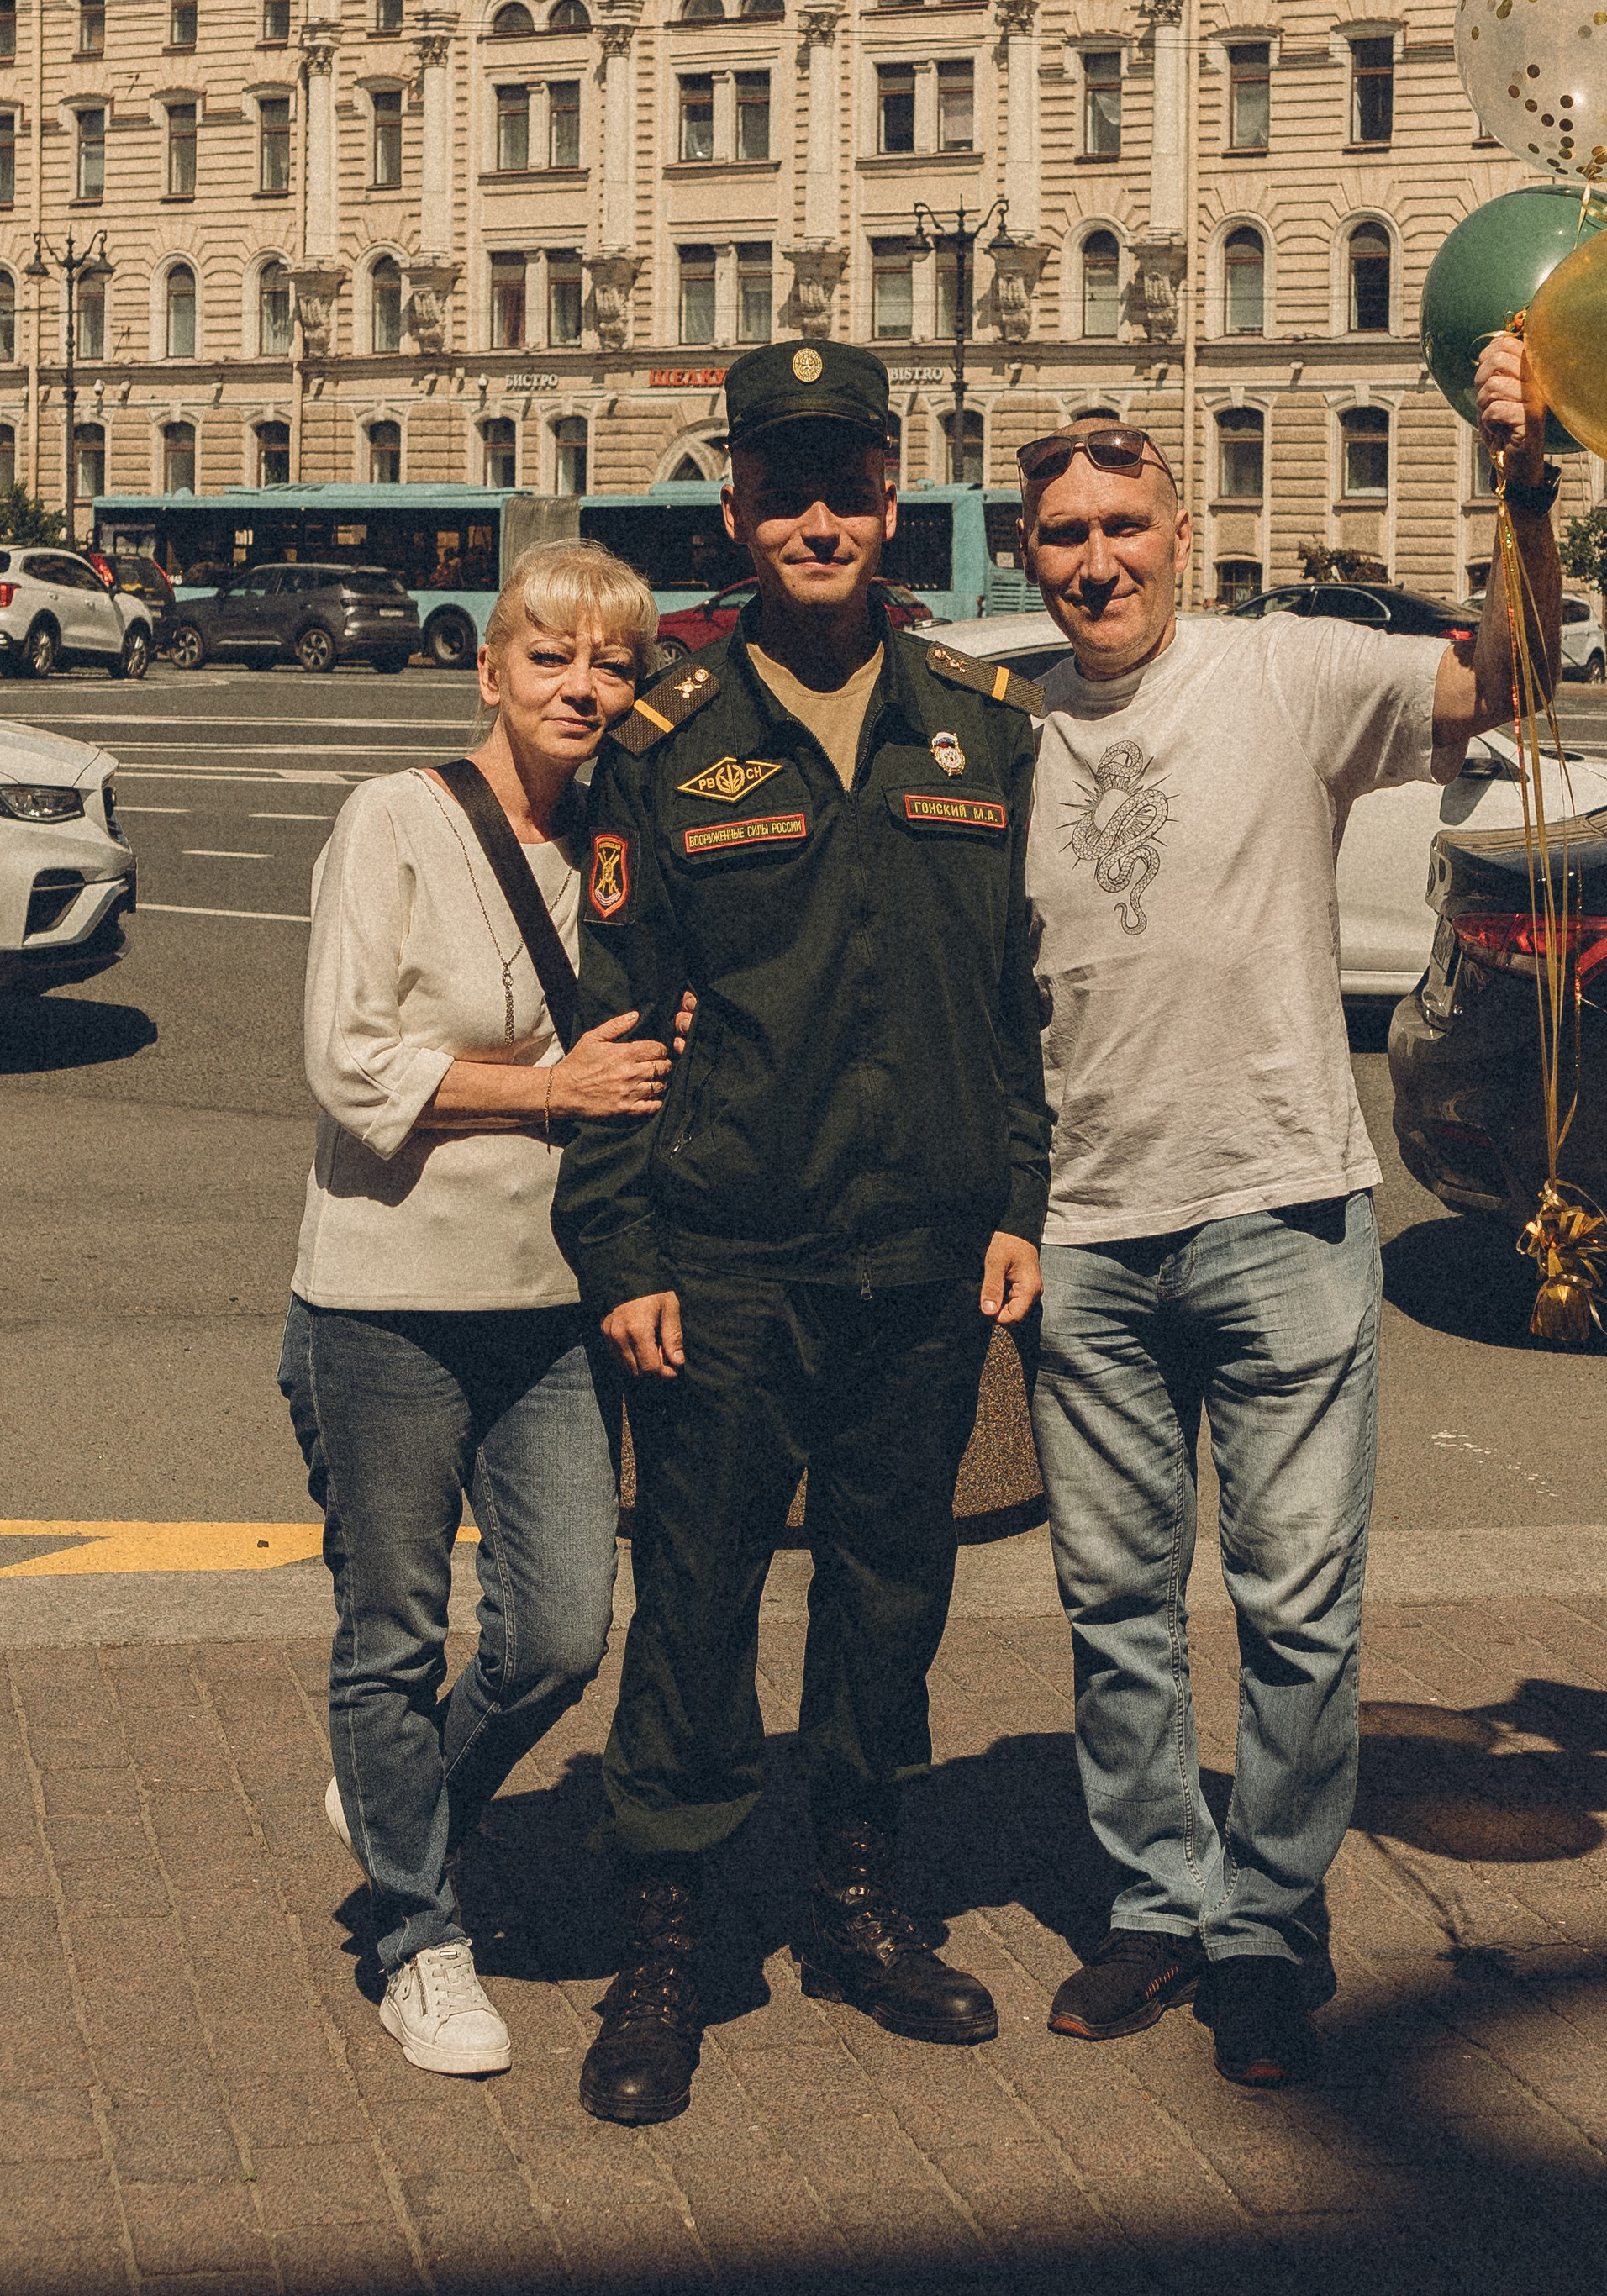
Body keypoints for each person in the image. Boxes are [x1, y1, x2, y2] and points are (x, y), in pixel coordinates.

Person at [1023, 333, 1557, 2087]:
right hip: (1086, 1234)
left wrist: (1523, 485)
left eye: (1124, 525)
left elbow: (1510, 679)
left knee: (1297, 1610)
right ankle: (1154, 1904)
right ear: (1030, 554)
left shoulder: (1284, 669)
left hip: (1282, 1211)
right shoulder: (1012, 733)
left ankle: (1264, 1923)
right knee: (1113, 1607)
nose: (1096, 559)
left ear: (1181, 534)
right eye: (1063, 535)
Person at [551, 338, 1049, 2128]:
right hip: (728, 1258)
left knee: (888, 1592)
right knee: (693, 1603)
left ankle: (855, 1901)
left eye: (847, 486)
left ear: (890, 501)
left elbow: (1014, 999)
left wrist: (1019, 1199)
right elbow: (616, 1023)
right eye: (785, 490)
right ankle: (667, 1942)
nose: (818, 520)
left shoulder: (981, 723)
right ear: (736, 508)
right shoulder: (668, 740)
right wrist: (623, 1256)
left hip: (923, 1253)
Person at [280, 541, 673, 2078]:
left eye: (615, 664)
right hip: (386, 1295)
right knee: (390, 1630)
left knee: (562, 1633)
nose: (584, 687)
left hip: (553, 1297)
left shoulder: (624, 844)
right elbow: (348, 1059)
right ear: (492, 668)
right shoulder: (396, 818)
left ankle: (401, 1802)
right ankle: (415, 1939)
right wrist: (551, 1089)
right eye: (553, 656)